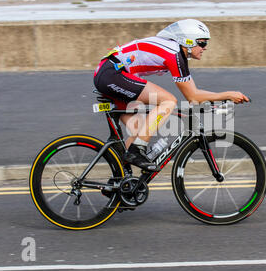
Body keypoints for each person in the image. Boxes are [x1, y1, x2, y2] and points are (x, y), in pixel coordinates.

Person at [93, 19, 249, 171]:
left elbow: (194, 95)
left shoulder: (174, 51)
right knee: (168, 101)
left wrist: (217, 98)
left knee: (140, 130)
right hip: (112, 74)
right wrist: (227, 94)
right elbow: (193, 96)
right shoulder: (175, 55)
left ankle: (121, 182)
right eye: (202, 43)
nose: (205, 47)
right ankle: (136, 152)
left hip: (109, 73)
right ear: (187, 41)